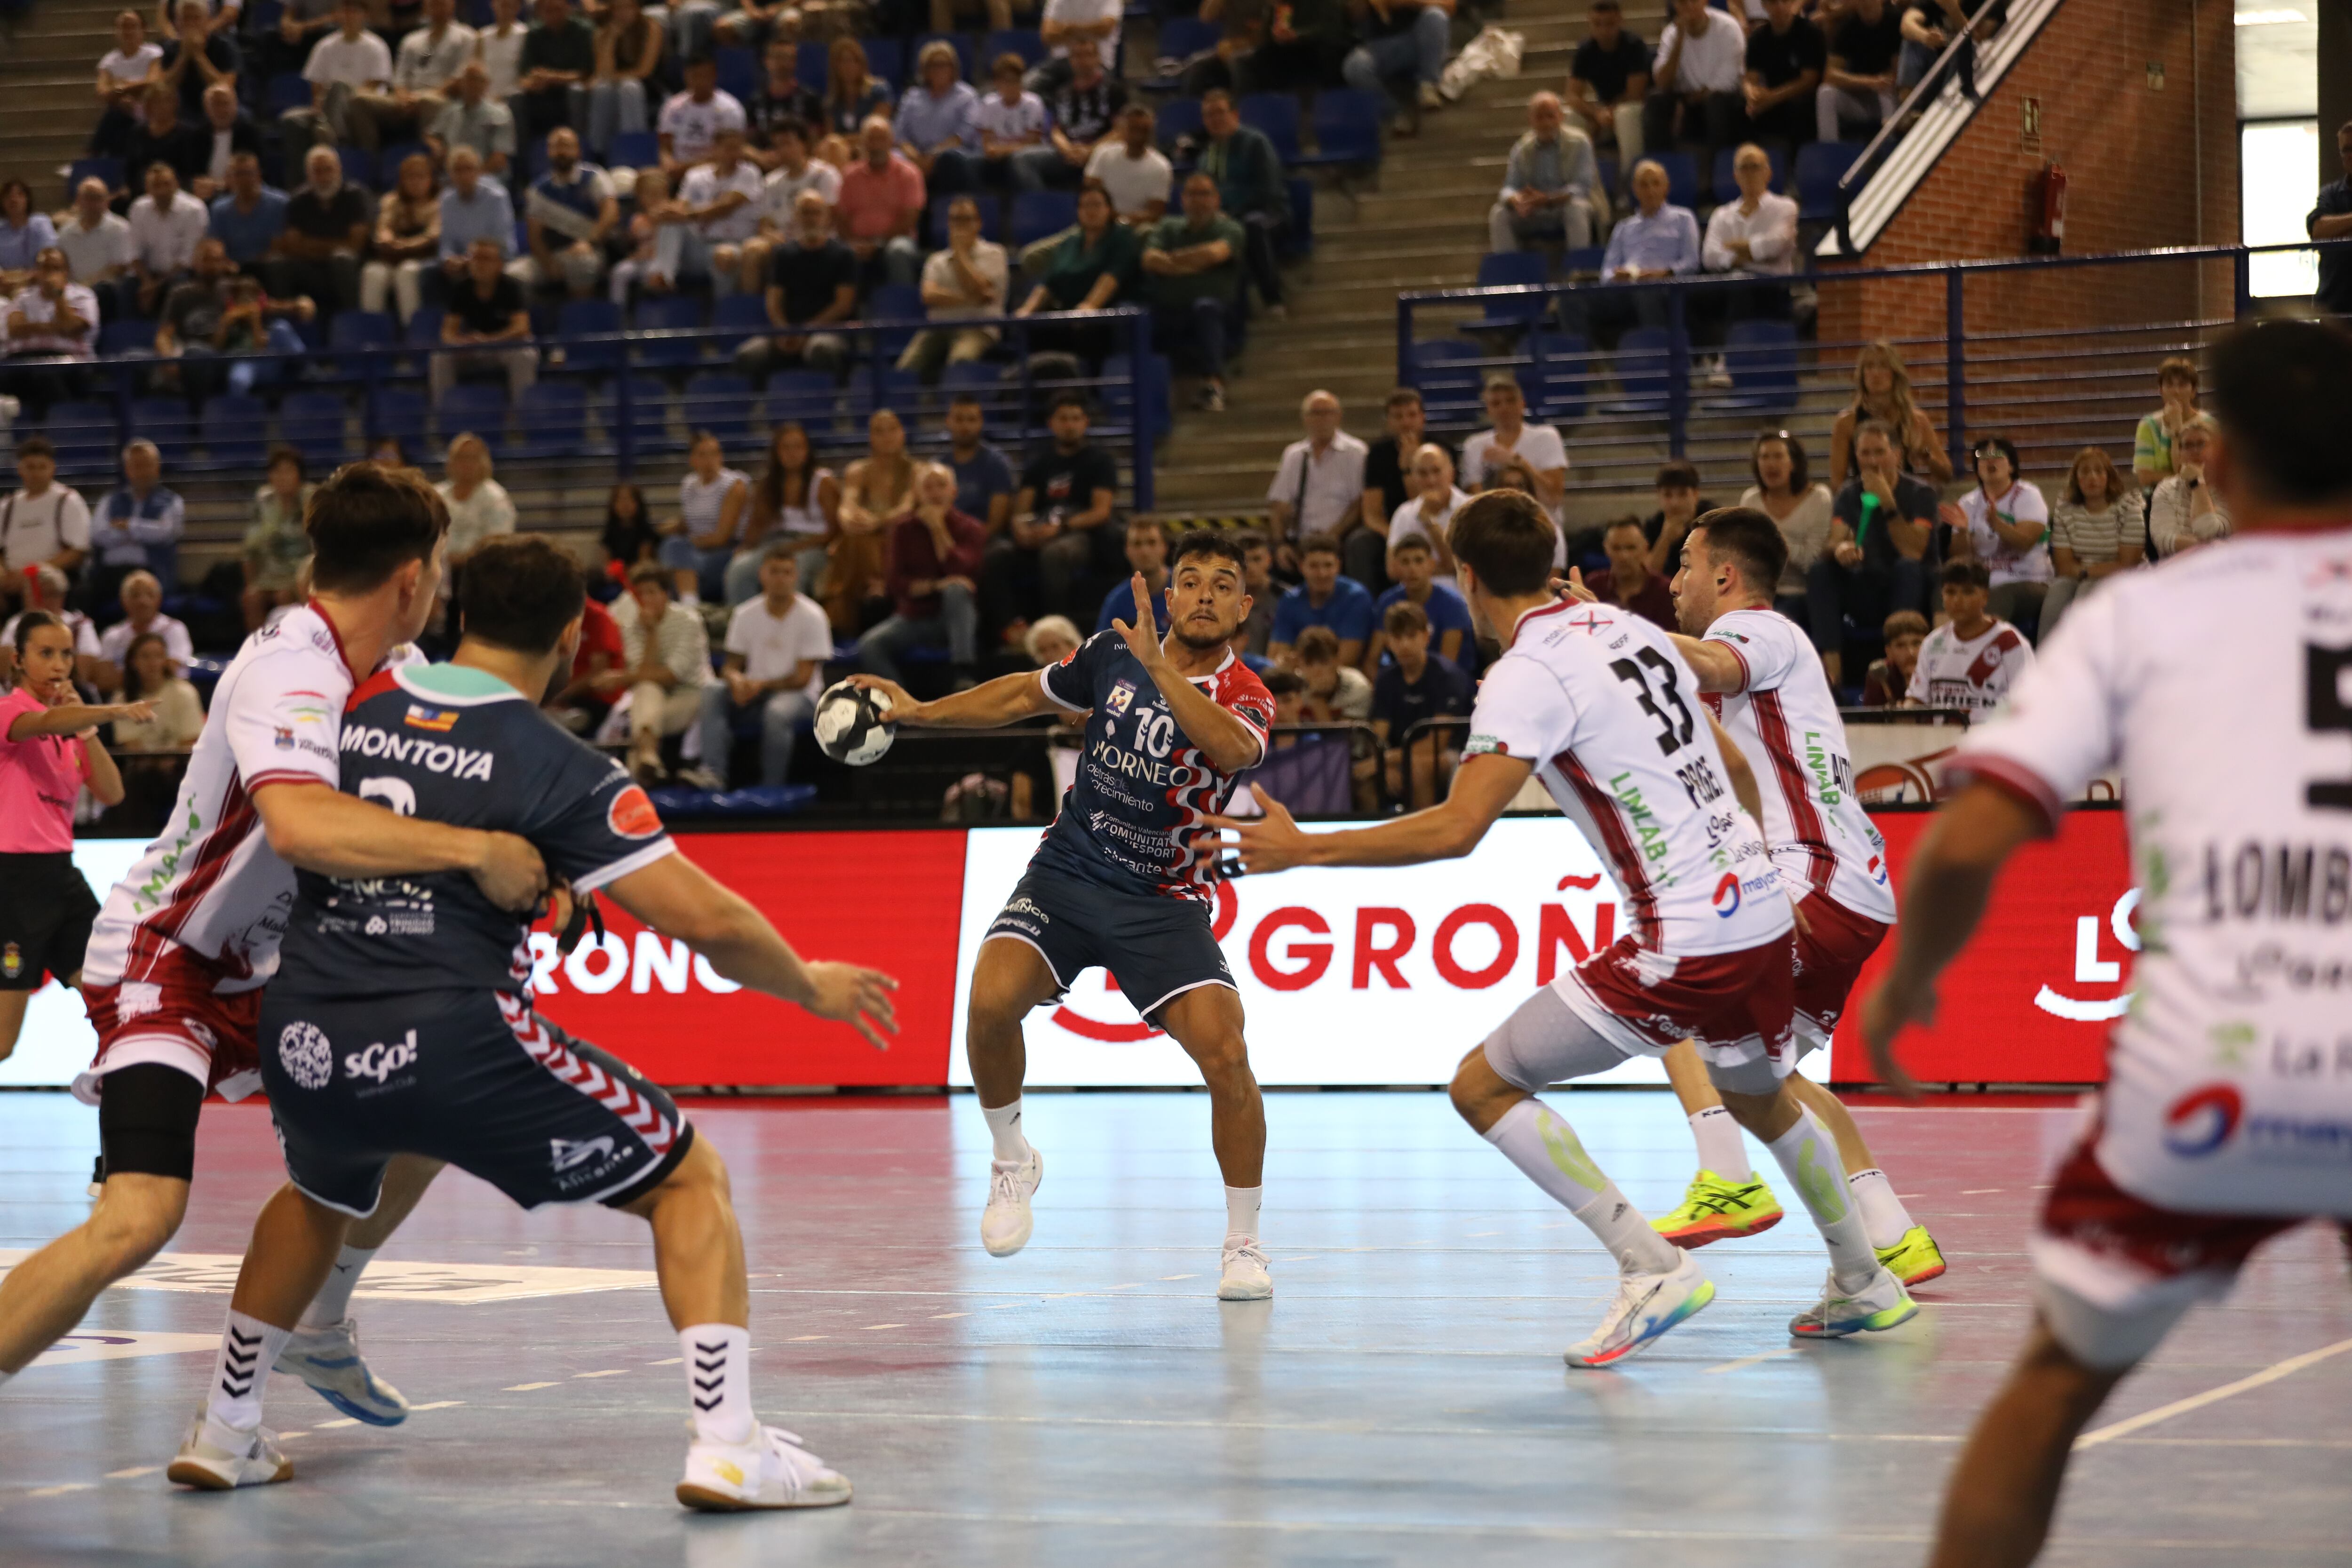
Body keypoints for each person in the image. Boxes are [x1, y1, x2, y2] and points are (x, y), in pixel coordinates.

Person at [169, 533, 892, 1505]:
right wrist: (809, 984)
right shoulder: (561, 763)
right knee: (689, 1180)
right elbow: (705, 919)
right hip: (454, 1032)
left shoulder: (342, 705)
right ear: (571, 637)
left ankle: (226, 1428)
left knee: (319, 1192)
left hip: (306, 1031)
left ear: (460, 615)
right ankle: (728, 1441)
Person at [1859, 318, 2352, 1568]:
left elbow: (1968, 841)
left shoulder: (2144, 611)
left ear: (2218, 467)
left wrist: (1907, 990)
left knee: (2051, 1388)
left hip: (2215, 1069)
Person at [1215, 489, 1918, 1363]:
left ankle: (1650, 1265)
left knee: (1482, 1085)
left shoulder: (1526, 674)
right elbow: (1732, 761)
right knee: (1758, 1093)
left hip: (1689, 934)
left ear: (1465, 578)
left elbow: (1456, 829)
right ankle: (1865, 1279)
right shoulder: (1630, 630)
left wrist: (1305, 851)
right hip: (1764, 906)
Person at [0, 462, 549, 1417]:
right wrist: (478, 850)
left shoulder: (407, 672)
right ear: (415, 578)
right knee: (141, 1215)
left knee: (426, 1113)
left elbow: (479, 766)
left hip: (270, 970)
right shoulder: (286, 665)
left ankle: (322, 1324)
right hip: (166, 956)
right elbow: (298, 827)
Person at [852, 531, 1279, 1298]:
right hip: (1069, 872)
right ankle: (1012, 1157)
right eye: (1191, 580)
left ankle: (1244, 1243)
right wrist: (917, 713)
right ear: (1170, 595)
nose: (1206, 594)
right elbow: (1020, 694)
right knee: (988, 1000)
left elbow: (1227, 750)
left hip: (1163, 899)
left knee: (1227, 1056)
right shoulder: (1108, 654)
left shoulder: (1248, 693)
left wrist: (1158, 667)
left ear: (1244, 606)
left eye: (1224, 584)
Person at [1647, 506, 1941, 1282]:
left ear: (1724, 574)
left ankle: (1727, 1177)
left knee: (1670, 976)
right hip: (1854, 886)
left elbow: (1707, 667)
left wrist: (1605, 630)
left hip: (1810, 871)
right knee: (1765, 1081)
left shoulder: (1760, 632)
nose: (1671, 582)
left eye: (1683, 564)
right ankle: (1890, 1240)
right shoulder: (1748, 664)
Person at [0, 613, 141, 1064]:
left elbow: (113, 792)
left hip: (62, 878)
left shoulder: (72, 726)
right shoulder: (10, 711)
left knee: (111, 993)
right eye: (46, 654)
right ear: (19, 660)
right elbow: (43, 722)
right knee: (3, 1044)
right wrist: (114, 710)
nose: (59, 664)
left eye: (66, 654)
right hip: (14, 881)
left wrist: (88, 727)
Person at [1808, 417, 1940, 684]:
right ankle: (1832, 676)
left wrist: (1888, 502)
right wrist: (1841, 549)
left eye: (1879, 452)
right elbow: (1836, 539)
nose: (1872, 461)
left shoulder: (1921, 493)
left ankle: (1901, 674)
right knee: (1821, 571)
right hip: (1866, 587)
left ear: (1897, 454)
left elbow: (1914, 551)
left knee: (1908, 568)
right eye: (1865, 453)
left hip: (1910, 590)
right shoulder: (1848, 494)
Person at [697, 542, 830, 787]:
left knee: (777, 713)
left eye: (787, 572)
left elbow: (803, 678)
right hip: (755, 690)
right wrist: (737, 681)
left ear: (796, 576)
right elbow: (731, 666)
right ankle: (713, 773)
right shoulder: (745, 614)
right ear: (762, 575)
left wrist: (760, 685)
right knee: (713, 691)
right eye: (774, 571)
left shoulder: (813, 616)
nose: (780, 579)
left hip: (801, 696)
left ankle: (772, 786)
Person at [993, 393, 1120, 627]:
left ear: (1085, 423)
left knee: (1054, 554)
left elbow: (1101, 512)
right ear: (1051, 423)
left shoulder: (1100, 461)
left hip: (1081, 536)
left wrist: (1061, 528)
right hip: (1041, 532)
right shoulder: (1039, 463)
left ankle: (1056, 627)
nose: (1070, 425)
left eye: (1075, 419)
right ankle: (1006, 629)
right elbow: (1022, 509)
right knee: (997, 555)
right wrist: (1021, 530)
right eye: (1063, 419)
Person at [858, 461, 986, 685]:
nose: (936, 493)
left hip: (958, 619)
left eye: (941, 486)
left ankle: (963, 675)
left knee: (956, 591)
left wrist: (938, 529)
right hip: (914, 617)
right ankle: (900, 706)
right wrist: (937, 586)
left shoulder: (972, 528)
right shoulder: (902, 529)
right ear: (917, 494)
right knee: (870, 645)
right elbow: (896, 584)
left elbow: (963, 573)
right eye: (928, 487)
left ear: (953, 492)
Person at [601, 559, 713, 781]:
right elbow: (643, 673)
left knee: (641, 716)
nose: (646, 600)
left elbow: (673, 676)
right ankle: (649, 759)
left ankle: (640, 772)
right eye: (640, 594)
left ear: (667, 594)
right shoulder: (633, 625)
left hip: (693, 694)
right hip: (653, 698)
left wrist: (621, 679)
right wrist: (651, 633)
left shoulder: (688, 621)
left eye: (652, 593)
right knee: (646, 688)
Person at [1142, 173, 1244, 414]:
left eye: (1204, 194)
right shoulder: (1168, 226)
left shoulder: (1230, 228)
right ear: (1182, 199)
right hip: (1168, 310)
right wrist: (1196, 263)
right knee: (1133, 314)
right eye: (1191, 194)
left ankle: (1213, 385)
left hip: (1217, 311)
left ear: (1217, 199)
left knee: (1206, 308)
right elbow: (1149, 260)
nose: (1198, 200)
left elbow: (1215, 254)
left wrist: (1172, 263)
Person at [1695, 141, 1797, 381]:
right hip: (1731, 283)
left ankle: (1727, 364)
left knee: (1740, 281)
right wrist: (1749, 253)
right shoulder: (1723, 214)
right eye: (1744, 168)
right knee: (1687, 291)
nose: (1750, 174)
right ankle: (1693, 361)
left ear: (1768, 173)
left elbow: (1777, 245)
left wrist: (1735, 251)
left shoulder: (1785, 207)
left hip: (1772, 285)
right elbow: (1710, 256)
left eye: (1755, 167)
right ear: (1735, 175)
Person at [1010, 178, 1141, 364]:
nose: (1090, 211)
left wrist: (1090, 306)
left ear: (1109, 210)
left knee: (1087, 329)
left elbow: (1112, 276)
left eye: (1096, 205)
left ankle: (1086, 390)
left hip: (1103, 315)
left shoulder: (1121, 238)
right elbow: (1049, 283)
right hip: (1064, 313)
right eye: (1084, 206)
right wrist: (1027, 311)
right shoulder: (1070, 242)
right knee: (1032, 330)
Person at [732, 188, 855, 382]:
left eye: (816, 212)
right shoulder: (784, 254)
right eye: (806, 213)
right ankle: (756, 407)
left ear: (827, 217)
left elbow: (843, 305)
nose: (811, 218)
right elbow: (773, 300)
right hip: (787, 332)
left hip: (828, 331)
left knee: (820, 349)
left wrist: (806, 331)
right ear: (796, 217)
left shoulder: (843, 255)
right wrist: (785, 330)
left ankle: (832, 399)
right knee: (749, 354)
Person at [1194, 88, 1289, 313]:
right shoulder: (1205, 157)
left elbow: (1268, 190)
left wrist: (1232, 214)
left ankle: (1273, 298)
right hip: (1223, 219)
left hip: (1269, 213)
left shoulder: (1256, 143)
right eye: (1209, 115)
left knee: (1252, 226)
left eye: (1220, 112)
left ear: (1235, 115)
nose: (1215, 119)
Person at [1944, 433, 2050, 635]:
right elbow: (1960, 558)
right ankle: (1945, 655)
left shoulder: (2028, 496)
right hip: (1982, 583)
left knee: (1995, 598)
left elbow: (2025, 542)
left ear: (2011, 466)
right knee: (1947, 592)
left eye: (1998, 454)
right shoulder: (1968, 502)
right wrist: (1962, 532)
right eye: (1983, 456)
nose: (1990, 460)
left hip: (2028, 580)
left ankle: (1980, 656)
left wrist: (1997, 524)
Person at [1367, 598, 1468, 808]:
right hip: (1399, 758)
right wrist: (1384, 766)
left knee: (1419, 767)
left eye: (1411, 636)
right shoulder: (1386, 679)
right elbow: (1379, 736)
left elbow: (1437, 743)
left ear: (1426, 637)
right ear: (1388, 641)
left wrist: (1387, 760)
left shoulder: (1447, 675)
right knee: (1362, 776)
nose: (1404, 644)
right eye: (1397, 637)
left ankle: (1425, 839)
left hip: (1455, 755)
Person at [1585, 158, 1698, 343]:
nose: (1651, 190)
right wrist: (1616, 277)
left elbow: (1691, 262)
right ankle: (1588, 361)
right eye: (1644, 185)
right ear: (1635, 190)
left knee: (1647, 292)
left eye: (1656, 183)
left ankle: (1659, 356)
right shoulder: (1623, 227)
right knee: (1571, 300)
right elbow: (1606, 272)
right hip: (1626, 289)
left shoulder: (1684, 219)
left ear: (1666, 187)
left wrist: (1663, 273)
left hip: (1665, 287)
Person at [824, 408, 915, 632]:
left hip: (902, 540)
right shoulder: (858, 470)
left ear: (902, 433)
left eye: (892, 430)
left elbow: (906, 508)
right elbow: (847, 506)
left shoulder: (916, 471)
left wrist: (877, 521)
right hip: (863, 539)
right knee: (854, 538)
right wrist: (850, 519)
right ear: (871, 437)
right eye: (879, 432)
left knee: (864, 540)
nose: (887, 437)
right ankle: (872, 589)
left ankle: (864, 596)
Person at [2040, 446, 2144, 639]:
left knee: (2086, 592)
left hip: (2121, 578)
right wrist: (2084, 574)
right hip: (2078, 576)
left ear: (2109, 477)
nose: (2092, 478)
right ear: (2077, 480)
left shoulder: (2129, 508)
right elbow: (2063, 567)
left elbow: (2128, 564)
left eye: (2099, 471)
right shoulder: (2066, 511)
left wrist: (2086, 572)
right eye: (2085, 472)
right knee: (2058, 592)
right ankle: (2046, 661)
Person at [901, 195, 1007, 380]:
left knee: (960, 362)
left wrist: (960, 255)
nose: (960, 225)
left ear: (978, 223)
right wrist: (970, 300)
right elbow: (929, 296)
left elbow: (980, 289)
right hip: (938, 328)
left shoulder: (995, 253)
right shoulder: (936, 260)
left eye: (966, 219)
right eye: (955, 220)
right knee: (905, 367)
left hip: (977, 328)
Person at [652, 124, 765, 295]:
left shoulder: (749, 173)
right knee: (670, 222)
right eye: (729, 148)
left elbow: (725, 206)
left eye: (738, 149)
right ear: (715, 149)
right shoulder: (696, 176)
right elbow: (680, 206)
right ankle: (663, 278)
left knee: (723, 256)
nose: (735, 154)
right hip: (699, 246)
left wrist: (686, 215)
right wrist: (664, 212)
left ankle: (724, 311)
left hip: (735, 245)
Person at [1907, 558, 2030, 711]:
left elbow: (2028, 703)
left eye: (1968, 592)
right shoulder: (1932, 642)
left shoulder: (2010, 643)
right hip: (1941, 735)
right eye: (1950, 592)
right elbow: (1917, 700)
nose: (1958, 601)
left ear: (1985, 597)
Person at [1487, 90, 1600, 255]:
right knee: (1499, 214)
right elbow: (1509, 187)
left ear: (1561, 117)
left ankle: (1579, 269)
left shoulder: (1580, 143)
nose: (1546, 123)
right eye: (1540, 117)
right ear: (1531, 120)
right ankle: (1509, 274)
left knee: (1576, 209)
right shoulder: (1522, 149)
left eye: (1550, 116)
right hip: (1534, 212)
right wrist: (1516, 199)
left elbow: (1582, 188)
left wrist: (1547, 199)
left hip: (1565, 206)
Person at [1827, 338, 1950, 488]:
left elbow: (1947, 474)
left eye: (1883, 366)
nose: (1876, 374)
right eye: (1870, 367)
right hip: (1864, 501)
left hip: (1906, 500)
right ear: (1862, 375)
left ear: (1895, 374)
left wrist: (1924, 455)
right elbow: (1837, 482)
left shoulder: (1915, 419)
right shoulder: (1847, 422)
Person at [1737, 427, 1832, 621]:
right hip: (1758, 592)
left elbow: (1811, 562)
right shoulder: (1750, 500)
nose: (1771, 464)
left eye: (1778, 456)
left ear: (1794, 463)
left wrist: (1773, 538)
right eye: (1765, 457)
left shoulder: (1819, 498)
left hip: (1802, 594)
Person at [738, 420, 837, 604]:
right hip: (775, 543)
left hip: (812, 547)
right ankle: (741, 623)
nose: (792, 453)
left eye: (798, 447)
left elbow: (833, 532)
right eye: (786, 447)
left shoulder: (823, 482)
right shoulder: (767, 485)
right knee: (740, 569)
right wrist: (744, 548)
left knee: (789, 573)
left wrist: (796, 547)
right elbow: (754, 530)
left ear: (807, 450)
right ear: (777, 452)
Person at [1266, 390, 1368, 567]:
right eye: (1315, 413)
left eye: (1328, 413)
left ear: (1338, 416)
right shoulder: (1295, 455)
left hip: (1340, 538)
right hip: (1301, 540)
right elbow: (1279, 504)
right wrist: (1281, 544)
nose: (1322, 419)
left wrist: (1331, 537)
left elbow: (1359, 503)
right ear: (1305, 418)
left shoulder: (1356, 453)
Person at [1459, 375, 1569, 537]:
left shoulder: (1547, 437)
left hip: (1542, 530)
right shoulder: (1474, 446)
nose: (1504, 408)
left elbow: (1553, 498)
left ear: (1522, 403)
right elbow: (1477, 503)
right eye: (1496, 403)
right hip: (1495, 534)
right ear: (1488, 409)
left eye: (1510, 401)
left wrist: (1517, 461)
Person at [1642, 0, 1744, 172]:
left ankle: (1718, 175)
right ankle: (1660, 172)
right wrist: (1680, 38)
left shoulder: (1727, 27)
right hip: (1688, 103)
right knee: (1656, 100)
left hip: (1725, 103)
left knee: (1716, 102)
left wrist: (1692, 99)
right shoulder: (1672, 33)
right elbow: (1662, 82)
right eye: (1683, 3)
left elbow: (1729, 79)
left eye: (1694, 1)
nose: (1689, 7)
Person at [430, 236, 536, 402]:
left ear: (499, 264)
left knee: (525, 354)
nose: (479, 264)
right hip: (473, 347)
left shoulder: (511, 287)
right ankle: (444, 415)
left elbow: (521, 327)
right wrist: (462, 342)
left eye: (486, 259)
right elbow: (447, 332)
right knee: (440, 357)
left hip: (503, 346)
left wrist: (488, 340)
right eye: (474, 258)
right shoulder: (462, 289)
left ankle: (522, 416)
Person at [517, 127, 617, 300]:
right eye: (556, 147)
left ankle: (581, 319)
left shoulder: (595, 177)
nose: (561, 151)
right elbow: (534, 236)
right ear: (549, 152)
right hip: (553, 254)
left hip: (591, 249)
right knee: (516, 275)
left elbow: (610, 213)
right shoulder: (538, 190)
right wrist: (548, 263)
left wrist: (590, 242)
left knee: (582, 263)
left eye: (566, 146)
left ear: (577, 150)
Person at [1017, 37, 1126, 194]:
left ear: (1097, 59)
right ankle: (1043, 207)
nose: (1083, 61)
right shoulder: (1062, 92)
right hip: (1068, 152)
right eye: (1078, 56)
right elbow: (1056, 130)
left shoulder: (1114, 90)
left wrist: (1090, 150)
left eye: (1088, 55)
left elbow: (1121, 131)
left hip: (1102, 153)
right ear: (1071, 60)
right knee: (1023, 160)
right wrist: (1067, 149)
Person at [284, 0, 393, 156]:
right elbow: (317, 86)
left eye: (354, 12)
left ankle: (334, 143)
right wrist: (319, 106)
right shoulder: (324, 46)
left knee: (339, 87)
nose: (349, 16)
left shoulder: (377, 46)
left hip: (361, 107)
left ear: (365, 15)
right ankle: (299, 175)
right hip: (326, 106)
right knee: (292, 120)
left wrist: (342, 98)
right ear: (337, 15)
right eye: (345, 11)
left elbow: (374, 85)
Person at [270, 144, 369, 314]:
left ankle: (352, 317)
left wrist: (310, 246)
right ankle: (285, 318)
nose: (324, 177)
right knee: (278, 262)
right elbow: (293, 246)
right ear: (308, 174)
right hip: (310, 269)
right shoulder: (299, 200)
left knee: (342, 258)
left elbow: (355, 245)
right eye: (317, 171)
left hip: (347, 268)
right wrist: (334, 245)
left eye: (328, 170)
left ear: (339, 169)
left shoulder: (355, 196)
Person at [655, 430, 750, 604]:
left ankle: (689, 603)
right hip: (695, 553)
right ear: (693, 459)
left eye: (714, 454)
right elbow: (690, 523)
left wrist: (689, 544)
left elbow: (722, 537)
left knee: (676, 550)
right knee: (669, 546)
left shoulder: (734, 486)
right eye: (703, 455)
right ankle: (687, 598)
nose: (710, 460)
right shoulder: (689, 485)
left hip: (725, 553)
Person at [5, 250, 101, 419]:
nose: (49, 273)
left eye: (55, 268)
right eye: (44, 268)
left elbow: (72, 327)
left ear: (67, 271)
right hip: (22, 360)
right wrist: (55, 327)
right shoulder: (23, 297)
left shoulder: (83, 296)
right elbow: (15, 328)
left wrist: (58, 294)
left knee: (45, 376)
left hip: (68, 362)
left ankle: (62, 430)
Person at [836, 115, 925, 290]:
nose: (876, 145)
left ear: (891, 141)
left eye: (881, 138)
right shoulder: (850, 176)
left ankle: (901, 309)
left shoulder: (909, 174)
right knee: (837, 253)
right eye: (871, 139)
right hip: (856, 242)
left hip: (896, 240)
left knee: (899, 251)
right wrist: (853, 242)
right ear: (862, 142)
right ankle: (849, 314)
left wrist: (878, 243)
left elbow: (909, 219)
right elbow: (841, 217)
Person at [89, 448, 184, 609]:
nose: (143, 472)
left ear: (157, 467)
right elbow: (98, 535)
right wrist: (141, 532)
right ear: (127, 469)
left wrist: (128, 526)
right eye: (137, 466)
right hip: (110, 575)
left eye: (147, 465)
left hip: (152, 572)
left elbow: (165, 533)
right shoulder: (110, 500)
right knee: (85, 593)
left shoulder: (171, 501)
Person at [1268, 531, 1375, 669]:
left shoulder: (1356, 597)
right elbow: (1276, 656)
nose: (1322, 574)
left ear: (1338, 566)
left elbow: (1347, 660)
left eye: (1328, 566)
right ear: (1301, 567)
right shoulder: (1290, 600)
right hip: (1303, 673)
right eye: (1314, 566)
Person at [1564, 0, 1650, 168]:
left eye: (1610, 24)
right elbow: (1572, 95)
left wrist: (1607, 112)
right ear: (1590, 24)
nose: (1604, 30)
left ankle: (1631, 177)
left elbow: (1635, 93)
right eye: (1598, 24)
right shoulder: (1586, 50)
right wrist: (1596, 113)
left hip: (1635, 108)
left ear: (1620, 21)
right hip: (1603, 110)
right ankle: (1573, 178)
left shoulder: (1634, 46)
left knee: (1625, 115)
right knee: (1572, 117)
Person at [0, 437, 94, 593]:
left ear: (52, 468)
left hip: (52, 584)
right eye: (30, 467)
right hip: (12, 585)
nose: (36, 473)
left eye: (42, 467)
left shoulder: (67, 500)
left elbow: (77, 552)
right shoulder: (7, 506)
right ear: (20, 469)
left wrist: (32, 574)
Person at [358, 153, 441, 325]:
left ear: (431, 179)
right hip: (393, 256)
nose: (415, 181)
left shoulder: (439, 203)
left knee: (406, 272)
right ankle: (373, 334)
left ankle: (412, 330)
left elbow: (433, 235)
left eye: (421, 176)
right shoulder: (391, 201)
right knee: (373, 273)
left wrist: (404, 246)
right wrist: (388, 241)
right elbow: (383, 229)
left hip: (425, 258)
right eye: (410, 176)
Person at [893, 39, 980, 198]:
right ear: (924, 70)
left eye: (944, 65)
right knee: (894, 158)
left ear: (953, 68)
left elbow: (964, 135)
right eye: (933, 65)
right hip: (917, 156)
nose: (938, 70)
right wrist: (914, 156)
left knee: (949, 159)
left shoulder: (967, 97)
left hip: (951, 155)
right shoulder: (912, 97)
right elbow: (899, 134)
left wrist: (932, 157)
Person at [127, 159, 209, 318]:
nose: (162, 191)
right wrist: (147, 282)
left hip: (181, 273)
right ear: (147, 188)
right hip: (149, 274)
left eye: (167, 184)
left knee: (178, 285)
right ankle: (130, 334)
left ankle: (170, 333)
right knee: (127, 287)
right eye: (156, 186)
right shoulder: (138, 208)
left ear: (177, 184)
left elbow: (188, 258)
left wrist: (156, 286)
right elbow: (134, 253)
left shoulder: (194, 210)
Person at [242, 446, 313, 629]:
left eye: (289, 471)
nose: (283, 477)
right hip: (270, 573)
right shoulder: (264, 502)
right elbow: (250, 548)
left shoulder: (311, 498)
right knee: (252, 598)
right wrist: (251, 583)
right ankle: (257, 650)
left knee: (283, 596)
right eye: (277, 471)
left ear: (300, 474)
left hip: (301, 572)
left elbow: (318, 541)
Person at [1342, 0, 1453, 117]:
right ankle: (1396, 114)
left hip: (1419, 42)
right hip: (1380, 47)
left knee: (1436, 16)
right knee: (1355, 66)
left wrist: (1408, 2)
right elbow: (1354, 15)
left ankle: (1428, 86)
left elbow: (1450, 6)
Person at [1386, 442, 1468, 592]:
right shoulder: (1404, 513)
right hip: (1413, 594)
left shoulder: (1471, 508)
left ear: (1452, 473)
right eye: (1423, 473)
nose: (1431, 480)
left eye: (1437, 471)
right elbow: (1393, 569)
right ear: (1414, 477)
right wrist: (1439, 569)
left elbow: (1459, 567)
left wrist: (1429, 522)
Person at [1742, 0, 1825, 149]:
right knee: (1740, 108)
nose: (1780, 7)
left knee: (1798, 107)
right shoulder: (1758, 37)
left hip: (1802, 98)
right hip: (1771, 96)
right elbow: (1750, 79)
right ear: (1764, 6)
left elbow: (1810, 80)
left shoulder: (1809, 32)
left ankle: (1797, 163)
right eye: (1773, 3)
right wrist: (1752, 96)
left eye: (1785, 1)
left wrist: (1771, 98)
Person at [1817, 0, 1902, 144]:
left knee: (1886, 87)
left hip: (1890, 97)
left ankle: (1891, 147)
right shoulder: (1848, 27)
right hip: (1860, 99)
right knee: (1825, 93)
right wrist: (1868, 82)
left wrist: (1879, 82)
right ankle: (1830, 151)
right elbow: (1830, 75)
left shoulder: (1895, 21)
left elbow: (1898, 71)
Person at [585, 0, 662, 160]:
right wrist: (612, 39)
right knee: (602, 90)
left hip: (648, 87)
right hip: (614, 88)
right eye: (618, 8)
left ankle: (632, 148)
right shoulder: (603, 33)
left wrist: (611, 78)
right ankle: (599, 151)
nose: (623, 13)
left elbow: (644, 71)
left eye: (628, 7)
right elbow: (603, 71)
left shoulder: (651, 27)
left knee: (629, 87)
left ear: (637, 8)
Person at [515, 0, 596, 148]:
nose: (553, 15)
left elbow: (585, 73)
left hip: (574, 89)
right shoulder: (534, 34)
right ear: (540, 13)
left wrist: (551, 77)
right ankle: (524, 155)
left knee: (575, 91)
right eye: (548, 10)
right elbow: (525, 74)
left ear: (568, 9)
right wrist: (532, 83)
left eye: (557, 10)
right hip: (544, 90)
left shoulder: (583, 30)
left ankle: (581, 146)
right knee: (517, 99)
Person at [2145, 415, 2229, 557]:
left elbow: (2207, 530)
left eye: (2201, 444)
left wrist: (2197, 484)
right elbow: (2164, 540)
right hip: (2177, 568)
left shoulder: (2229, 487)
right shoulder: (2166, 488)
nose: (2195, 451)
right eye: (2188, 446)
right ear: (2180, 453)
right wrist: (2212, 548)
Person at [108, 629, 206, 750]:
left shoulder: (185, 693)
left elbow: (190, 739)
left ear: (166, 660)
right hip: (139, 765)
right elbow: (131, 744)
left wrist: (169, 762)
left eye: (158, 656)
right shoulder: (121, 698)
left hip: (181, 764)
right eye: (145, 657)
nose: (152, 663)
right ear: (133, 662)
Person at [657, 52, 748, 177]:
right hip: (676, 169)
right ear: (686, 76)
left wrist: (687, 168)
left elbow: (731, 150)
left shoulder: (730, 109)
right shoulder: (673, 106)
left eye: (704, 76)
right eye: (695, 76)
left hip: (714, 170)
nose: (700, 81)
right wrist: (668, 163)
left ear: (715, 76)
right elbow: (665, 146)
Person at [435, 431, 515, 572]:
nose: (467, 464)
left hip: (481, 571)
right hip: (440, 570)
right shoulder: (437, 495)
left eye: (473, 458)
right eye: (461, 458)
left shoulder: (496, 497)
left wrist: (466, 558)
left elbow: (500, 541)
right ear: (451, 461)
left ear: (484, 461)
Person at [93, 9, 166, 160]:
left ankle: (92, 153)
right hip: (123, 112)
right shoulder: (109, 60)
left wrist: (121, 86)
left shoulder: (153, 52)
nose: (128, 31)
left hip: (148, 110)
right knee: (116, 117)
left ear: (143, 29)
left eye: (133, 26)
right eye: (123, 27)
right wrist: (129, 92)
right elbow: (102, 92)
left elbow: (153, 82)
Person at [425, 61, 516, 178]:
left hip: (487, 177)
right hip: (452, 177)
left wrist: (470, 178)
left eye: (476, 79)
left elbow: (499, 160)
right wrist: (436, 146)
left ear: (486, 84)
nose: (470, 84)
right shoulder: (451, 111)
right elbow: (431, 135)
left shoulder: (500, 114)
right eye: (467, 79)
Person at [1582, 516, 1676, 630]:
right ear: (1606, 549)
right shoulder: (1594, 585)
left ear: (1645, 548)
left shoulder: (1665, 591)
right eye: (1616, 548)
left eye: (1631, 548)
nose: (1624, 556)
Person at [1087, 102, 1172, 227]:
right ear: (1123, 129)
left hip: (1136, 228)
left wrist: (1122, 221)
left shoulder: (1161, 166)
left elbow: (1155, 213)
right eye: (1133, 129)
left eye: (1143, 130)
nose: (1138, 135)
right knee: (1054, 244)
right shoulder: (1103, 154)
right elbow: (1090, 193)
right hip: (1099, 224)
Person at [976, 52, 1051, 191]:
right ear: (997, 83)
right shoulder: (988, 104)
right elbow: (987, 145)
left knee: (1020, 160)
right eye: (1006, 81)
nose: (1011, 86)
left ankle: (1036, 201)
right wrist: (997, 151)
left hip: (1027, 155)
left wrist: (1004, 151)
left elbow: (1033, 143)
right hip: (998, 157)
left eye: (1015, 80)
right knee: (971, 163)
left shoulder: (1033, 103)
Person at [944, 394, 1015, 538]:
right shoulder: (938, 466)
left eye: (971, 419)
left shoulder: (997, 463)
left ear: (981, 422)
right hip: (946, 541)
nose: (965, 426)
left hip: (985, 541)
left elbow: (996, 523)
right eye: (959, 419)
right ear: (948, 422)